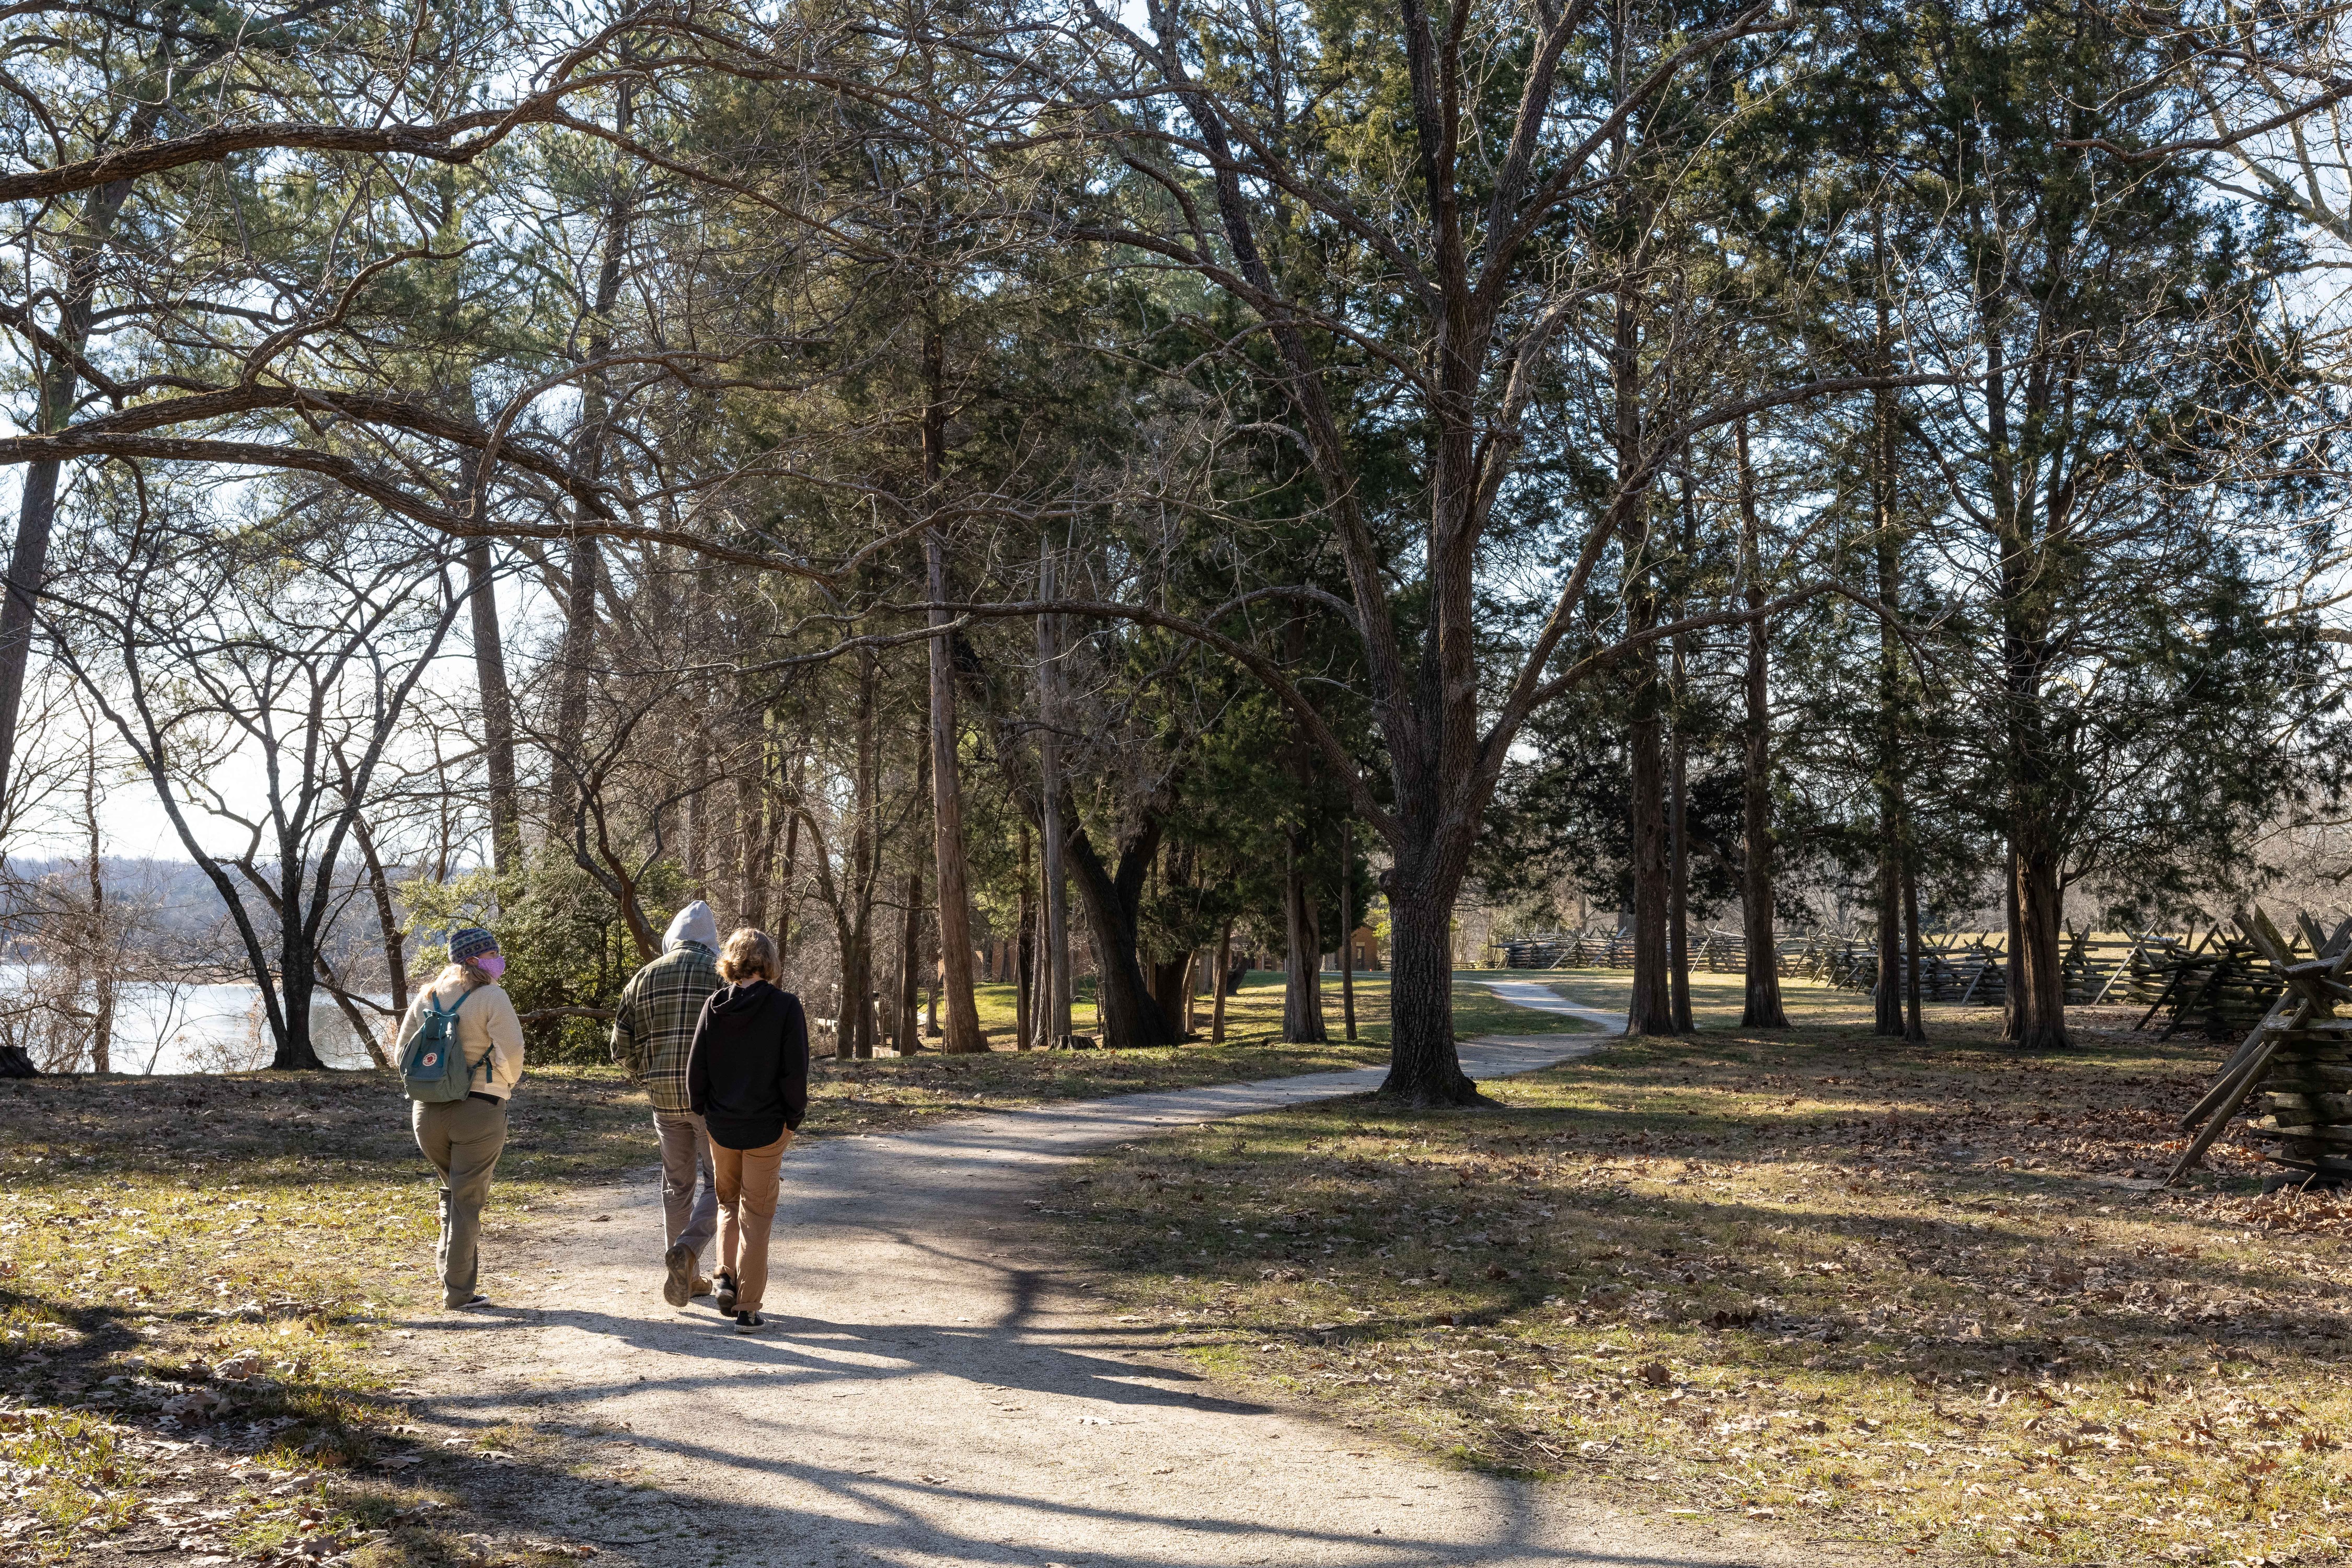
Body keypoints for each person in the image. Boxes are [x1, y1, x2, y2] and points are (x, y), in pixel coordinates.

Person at [685, 927, 809, 1334]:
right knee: (757, 1215)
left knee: (727, 1202)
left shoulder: (714, 1005)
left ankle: (725, 1277)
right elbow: (795, 1073)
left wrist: (706, 1112)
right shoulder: (786, 1007)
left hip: (722, 1125)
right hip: (767, 1127)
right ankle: (748, 1309)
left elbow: (695, 1072)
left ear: (731, 963)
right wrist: (793, 1120)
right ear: (768, 962)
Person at [395, 926, 524, 1310]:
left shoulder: (428, 995)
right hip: (478, 1110)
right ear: (474, 959)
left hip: (426, 1113)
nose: (497, 960)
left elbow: (402, 1050)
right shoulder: (491, 997)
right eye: (492, 954)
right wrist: (502, 1081)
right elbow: (513, 1051)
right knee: (467, 1201)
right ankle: (458, 1292)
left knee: (452, 1193)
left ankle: (452, 1280)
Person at [610, 901, 726, 1309]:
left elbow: (619, 1046)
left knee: (677, 1187)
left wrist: (648, 1077)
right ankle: (690, 1251)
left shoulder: (644, 977)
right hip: (713, 1101)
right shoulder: (721, 976)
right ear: (713, 940)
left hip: (664, 1100)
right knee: (724, 1186)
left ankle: (687, 1276)